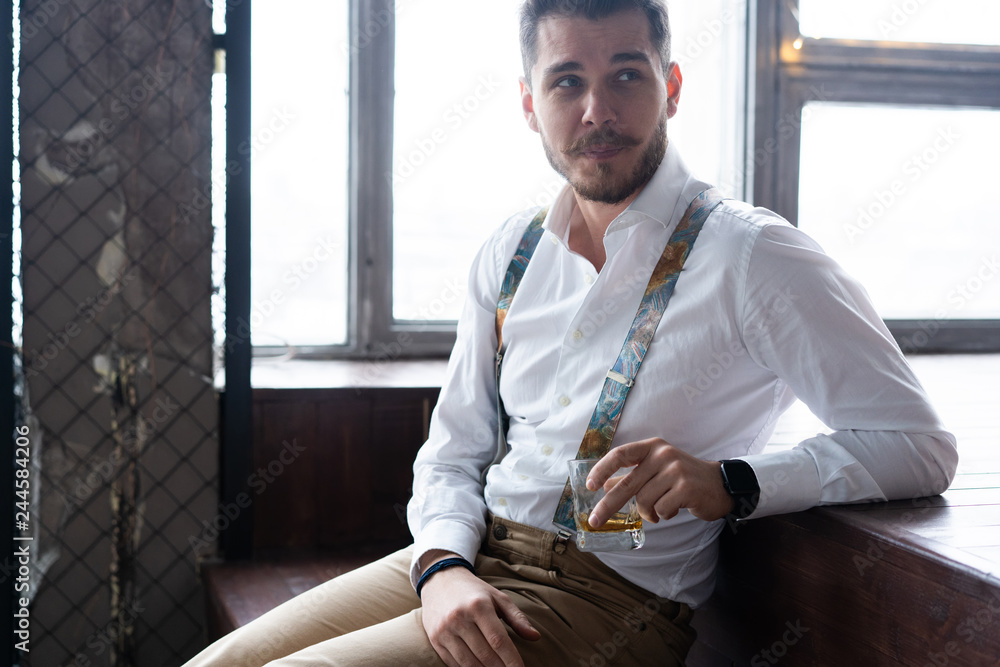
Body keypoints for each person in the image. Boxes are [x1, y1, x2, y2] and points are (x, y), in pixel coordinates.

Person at [184, 1, 958, 665]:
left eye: (627, 74)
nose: (597, 111)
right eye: (567, 83)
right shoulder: (512, 251)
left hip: (609, 598)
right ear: (530, 104)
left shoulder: (756, 255)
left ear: (672, 86)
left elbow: (918, 443)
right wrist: (444, 566)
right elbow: (453, 452)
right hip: (472, 550)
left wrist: (733, 481)